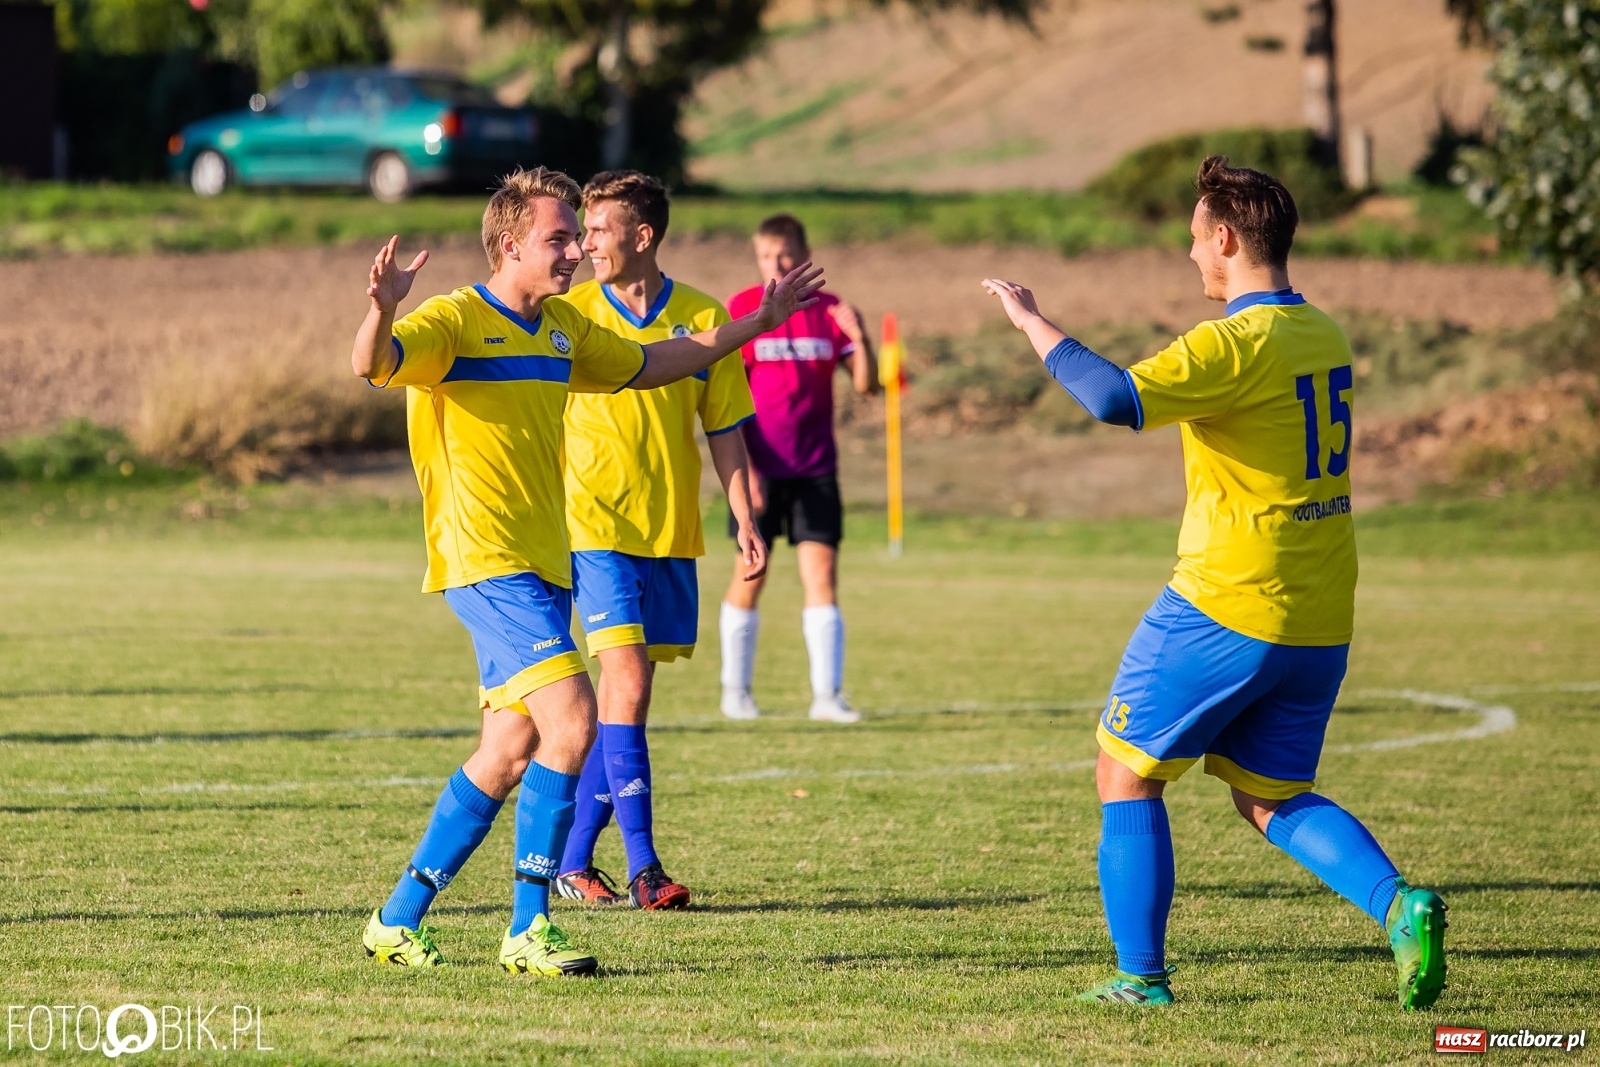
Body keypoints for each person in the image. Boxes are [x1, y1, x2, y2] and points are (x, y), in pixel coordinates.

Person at [981, 155, 1448, 1010]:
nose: (1192, 255)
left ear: (1226, 238)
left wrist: (1033, 323)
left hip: (1225, 601)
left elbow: (1115, 399)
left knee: (1124, 774)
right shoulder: (1323, 331)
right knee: (1268, 795)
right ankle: (1399, 905)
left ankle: (1140, 977)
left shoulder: (1234, 342)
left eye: (1195, 239)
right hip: (1319, 609)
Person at [350, 167, 822, 975]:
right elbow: (373, 362)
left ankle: (397, 918)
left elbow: (657, 360)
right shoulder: (455, 319)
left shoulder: (565, 329)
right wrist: (382, 306)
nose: (576, 249)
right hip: (483, 558)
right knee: (575, 720)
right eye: (558, 237)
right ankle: (529, 925)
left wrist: (755, 324)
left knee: (508, 749)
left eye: (577, 233)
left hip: (543, 564)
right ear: (509, 245)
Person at [553, 170, 766, 909]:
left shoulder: (704, 316)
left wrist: (744, 512)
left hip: (668, 530)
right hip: (593, 526)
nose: (584, 245)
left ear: (643, 237)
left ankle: (573, 861)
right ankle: (645, 866)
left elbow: (725, 426)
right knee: (629, 685)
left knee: (625, 702)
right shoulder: (569, 312)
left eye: (600, 231)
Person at [719, 214, 878, 724]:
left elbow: (867, 387)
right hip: (759, 473)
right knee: (750, 575)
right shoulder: (744, 309)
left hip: (815, 470)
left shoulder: (830, 311)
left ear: (804, 252)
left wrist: (863, 338)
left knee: (823, 577)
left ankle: (827, 697)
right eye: (767, 257)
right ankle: (735, 692)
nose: (777, 265)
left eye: (785, 255)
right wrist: (746, 472)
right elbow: (725, 401)